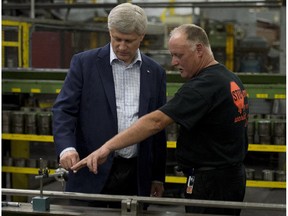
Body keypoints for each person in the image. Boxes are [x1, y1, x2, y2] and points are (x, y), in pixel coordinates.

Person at [72, 24, 249, 215]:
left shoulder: (202, 87)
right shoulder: (229, 78)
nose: (173, 62)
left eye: (179, 55)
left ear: (199, 49)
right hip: (230, 176)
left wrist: (107, 147)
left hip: (211, 184)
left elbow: (155, 123)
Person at [52, 3, 167, 208]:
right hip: (90, 172)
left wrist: (157, 176)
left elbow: (158, 128)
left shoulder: (155, 72)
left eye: (129, 41)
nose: (122, 46)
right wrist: (66, 148)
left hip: (136, 176)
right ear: (109, 32)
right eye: (117, 39)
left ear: (142, 36)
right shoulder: (84, 63)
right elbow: (63, 110)